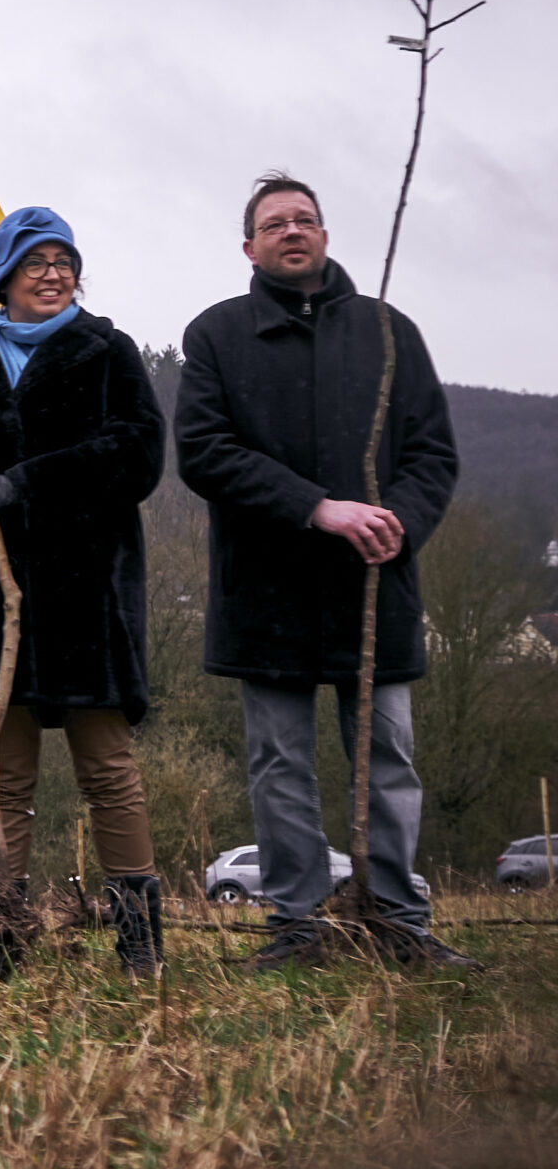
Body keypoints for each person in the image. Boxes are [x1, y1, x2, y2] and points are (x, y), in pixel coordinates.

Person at [175, 172, 473, 971]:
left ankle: (396, 924)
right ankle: (301, 927)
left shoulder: (387, 333)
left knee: (389, 759)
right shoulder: (216, 336)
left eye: (305, 219)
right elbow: (204, 453)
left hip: (374, 584)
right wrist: (319, 507)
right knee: (280, 763)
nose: (292, 231)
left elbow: (432, 452)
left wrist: (396, 524)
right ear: (249, 246)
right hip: (263, 589)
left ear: (327, 236)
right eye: (275, 224)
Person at [0, 207, 169, 976]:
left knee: (107, 770)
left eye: (64, 260)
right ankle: (1, 936)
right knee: (4, 778)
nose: (53, 274)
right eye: (35, 261)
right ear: (5, 276)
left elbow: (139, 456)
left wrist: (28, 482)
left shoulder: (108, 350)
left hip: (87, 596)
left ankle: (139, 939)